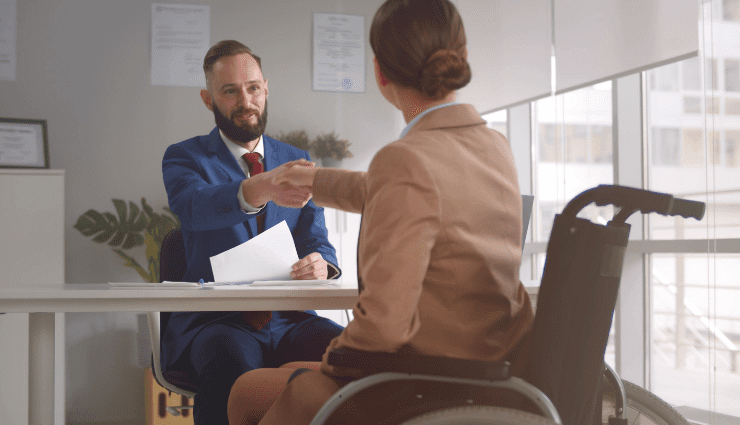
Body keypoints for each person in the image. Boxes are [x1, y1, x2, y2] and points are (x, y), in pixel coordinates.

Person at [226, 1, 535, 424]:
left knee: (249, 391)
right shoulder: (494, 147)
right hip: (492, 364)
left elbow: (384, 327)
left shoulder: (406, 159)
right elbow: (397, 191)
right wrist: (313, 180)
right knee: (283, 374)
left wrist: (332, 358)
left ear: (380, 72)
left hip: (426, 379)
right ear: (459, 55)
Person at [161, 40, 344, 425]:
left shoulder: (297, 159)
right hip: (219, 321)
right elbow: (193, 207)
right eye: (230, 91)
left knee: (349, 355)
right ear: (208, 99)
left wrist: (322, 266)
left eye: (253, 88)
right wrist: (260, 188)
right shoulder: (184, 158)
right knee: (232, 367)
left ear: (265, 88)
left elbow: (316, 239)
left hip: (290, 318)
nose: (245, 100)